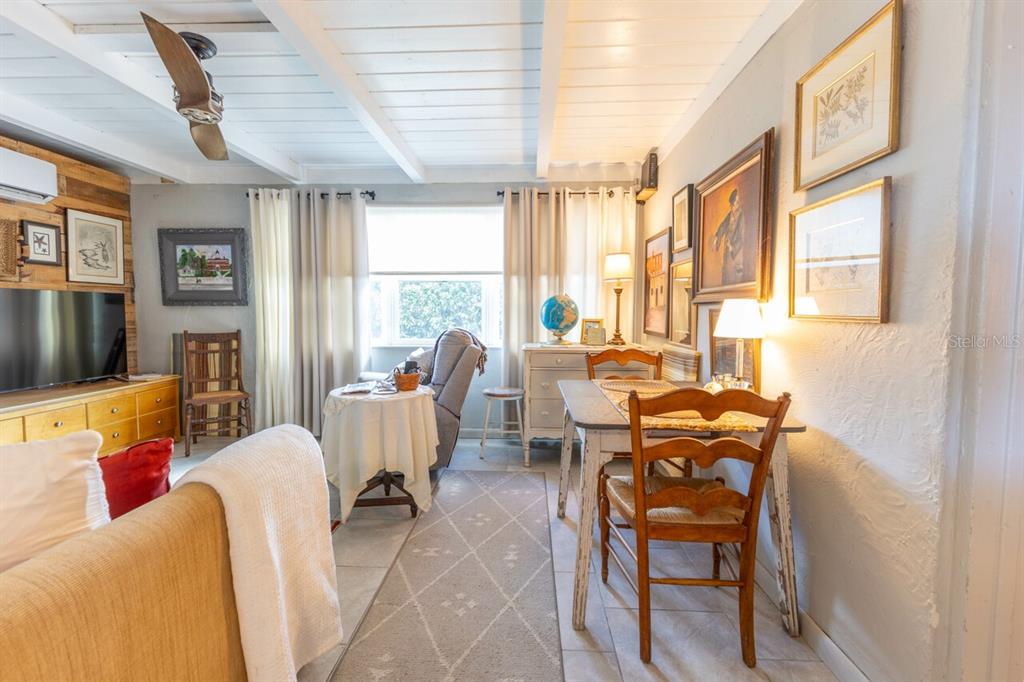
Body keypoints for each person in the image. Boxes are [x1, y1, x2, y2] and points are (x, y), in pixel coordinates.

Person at [712, 188, 747, 285]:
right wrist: (716, 239)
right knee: (726, 273)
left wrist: (732, 247)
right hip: (728, 250)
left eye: (737, 202)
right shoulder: (730, 215)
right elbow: (723, 226)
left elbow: (741, 236)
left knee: (735, 275)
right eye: (734, 202)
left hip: (736, 252)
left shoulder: (741, 216)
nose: (736, 204)